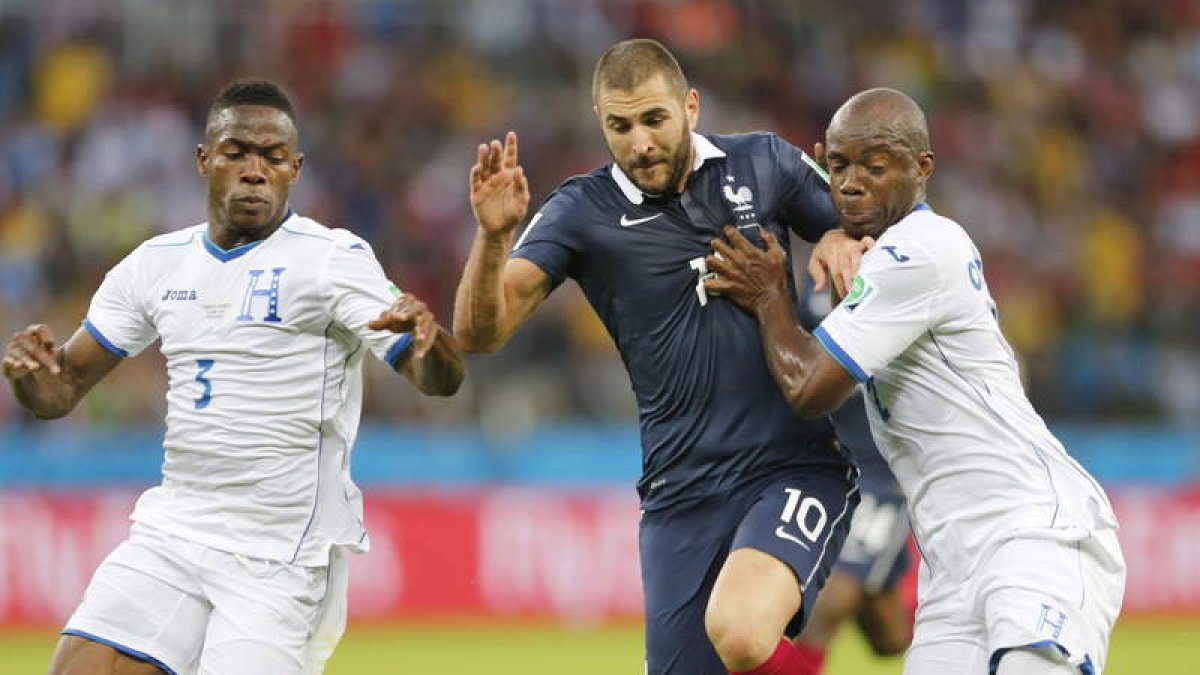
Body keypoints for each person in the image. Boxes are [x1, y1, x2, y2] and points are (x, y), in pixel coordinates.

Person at [2, 79, 465, 675]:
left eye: (272, 158)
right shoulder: (154, 265)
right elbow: (59, 390)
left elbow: (438, 378)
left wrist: (432, 346)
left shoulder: (331, 259)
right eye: (237, 152)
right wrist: (29, 376)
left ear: (295, 168)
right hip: (174, 532)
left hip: (281, 558)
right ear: (204, 160)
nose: (254, 171)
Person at [455, 38, 870, 675]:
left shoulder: (763, 162)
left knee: (740, 630)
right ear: (601, 122)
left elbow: (878, 227)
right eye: (620, 126)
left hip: (793, 467)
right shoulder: (580, 212)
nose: (640, 142)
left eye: (654, 119)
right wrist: (490, 240)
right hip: (679, 494)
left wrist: (845, 235)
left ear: (691, 107)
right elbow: (479, 332)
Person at [704, 87, 1125, 675]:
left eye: (876, 168)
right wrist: (828, 238)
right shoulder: (878, 253)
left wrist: (771, 293)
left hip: (1032, 534)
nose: (852, 183)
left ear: (922, 167)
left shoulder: (923, 250)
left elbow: (809, 389)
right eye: (839, 166)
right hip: (951, 563)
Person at [790, 272, 914, 673]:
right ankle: (971, 639)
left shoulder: (910, 270)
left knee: (821, 612)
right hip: (833, 472)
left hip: (883, 479)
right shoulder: (816, 282)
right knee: (888, 638)